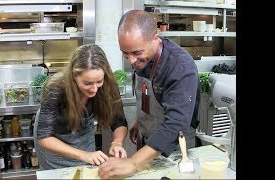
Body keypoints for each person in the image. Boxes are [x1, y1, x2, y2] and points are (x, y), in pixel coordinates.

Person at [98, 10, 201, 179]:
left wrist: (133, 163)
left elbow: (176, 125)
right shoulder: (141, 57)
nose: (131, 60)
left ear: (155, 38)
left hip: (177, 151)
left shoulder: (180, 67)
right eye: (125, 53)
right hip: (150, 144)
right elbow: (149, 91)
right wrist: (142, 119)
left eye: (137, 53)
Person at [33, 43, 128, 170]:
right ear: (73, 76)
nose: (94, 89)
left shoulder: (109, 85)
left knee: (85, 171)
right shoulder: (55, 87)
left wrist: (117, 142)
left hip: (83, 136)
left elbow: (119, 121)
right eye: (87, 83)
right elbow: (44, 137)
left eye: (99, 81)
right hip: (54, 143)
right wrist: (85, 155)